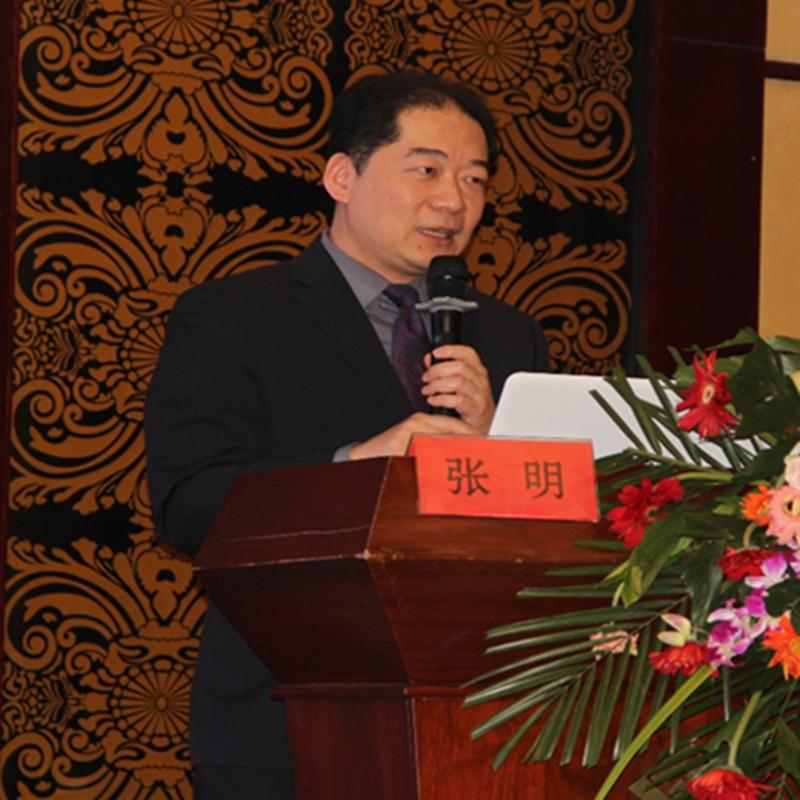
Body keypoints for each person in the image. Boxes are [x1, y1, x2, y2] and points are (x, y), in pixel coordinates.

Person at [145, 69, 550, 798]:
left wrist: (501, 439)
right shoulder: (235, 316)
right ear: (342, 176)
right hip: (285, 721)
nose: (454, 201)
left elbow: (557, 529)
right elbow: (191, 503)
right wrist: (356, 463)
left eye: (475, 179)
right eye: (426, 169)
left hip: (482, 726)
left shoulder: (508, 336)